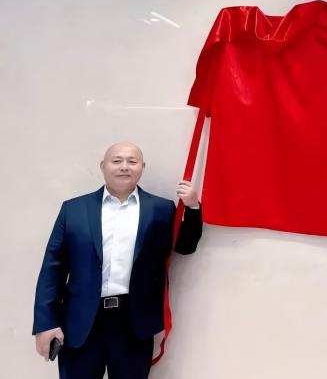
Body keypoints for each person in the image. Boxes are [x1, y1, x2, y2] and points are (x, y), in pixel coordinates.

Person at [32, 142, 203, 379]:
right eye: (117, 161)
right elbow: (53, 269)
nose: (124, 166)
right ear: (103, 166)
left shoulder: (161, 209)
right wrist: (45, 323)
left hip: (133, 324)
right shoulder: (74, 209)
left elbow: (185, 246)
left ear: (142, 167)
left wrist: (193, 207)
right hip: (81, 323)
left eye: (132, 161)